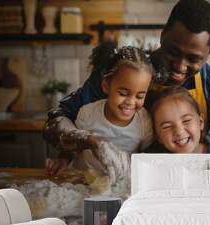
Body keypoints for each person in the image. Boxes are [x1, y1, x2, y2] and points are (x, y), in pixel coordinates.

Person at [43, 0, 210, 184]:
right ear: (162, 36)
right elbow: (55, 120)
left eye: (194, 59)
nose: (180, 67)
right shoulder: (124, 71)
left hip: (183, 185)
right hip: (111, 182)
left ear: (208, 55)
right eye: (173, 52)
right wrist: (90, 141)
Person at [46, 46, 154, 177]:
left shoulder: (144, 121)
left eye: (140, 96)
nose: (131, 102)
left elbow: (147, 158)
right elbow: (74, 147)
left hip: (120, 188)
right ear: (106, 86)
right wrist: (63, 159)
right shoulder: (87, 114)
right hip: (84, 185)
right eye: (123, 93)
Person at [149, 86, 210, 154]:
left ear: (200, 122)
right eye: (167, 126)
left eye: (186, 121)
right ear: (157, 136)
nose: (179, 132)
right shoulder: (149, 159)